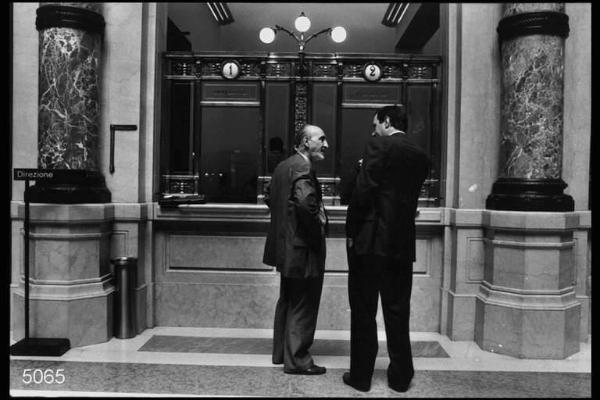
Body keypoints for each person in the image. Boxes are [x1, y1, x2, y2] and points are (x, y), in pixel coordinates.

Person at [342, 105, 430, 392]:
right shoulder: (421, 156)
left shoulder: (379, 145)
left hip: (370, 242)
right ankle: (401, 377)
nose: (373, 130)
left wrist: (351, 229)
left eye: (375, 124)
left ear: (387, 121)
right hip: (402, 243)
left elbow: (364, 192)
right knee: (397, 310)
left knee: (364, 311)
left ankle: (361, 377)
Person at [263, 124, 329, 375]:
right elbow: (303, 202)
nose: (326, 144)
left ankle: (281, 353)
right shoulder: (303, 166)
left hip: (285, 246)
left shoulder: (283, 166)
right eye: (321, 139)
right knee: (304, 302)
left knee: (288, 298)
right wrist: (317, 227)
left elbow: (271, 196)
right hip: (302, 248)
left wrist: (287, 222)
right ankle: (298, 360)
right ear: (304, 143)